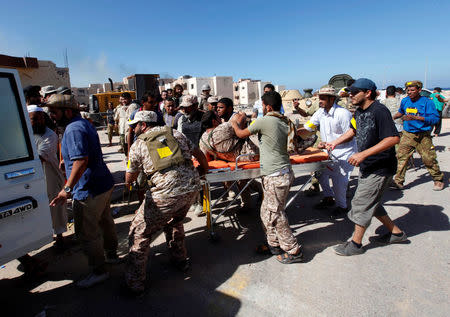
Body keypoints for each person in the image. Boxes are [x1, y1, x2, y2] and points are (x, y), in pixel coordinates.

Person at [124, 110, 208, 295]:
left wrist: (128, 182)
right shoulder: (175, 133)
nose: (133, 129)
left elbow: (130, 176)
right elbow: (198, 152)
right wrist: (203, 170)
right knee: (175, 221)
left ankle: (135, 283)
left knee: (139, 232)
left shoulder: (138, 145)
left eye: (135, 125)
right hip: (190, 188)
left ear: (143, 125)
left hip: (166, 194)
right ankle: (180, 259)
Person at [326, 78, 406, 256]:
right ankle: (396, 233)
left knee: (361, 203)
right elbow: (354, 130)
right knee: (372, 203)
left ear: (368, 93)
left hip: (381, 166)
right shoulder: (360, 111)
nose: (351, 95)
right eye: (350, 92)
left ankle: (356, 244)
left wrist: (363, 154)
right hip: (368, 166)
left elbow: (393, 138)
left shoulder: (380, 111)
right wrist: (334, 143)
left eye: (354, 92)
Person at [47, 94, 119, 288]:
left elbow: (81, 161)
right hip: (102, 184)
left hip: (89, 189)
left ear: (67, 111)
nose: (51, 115)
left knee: (87, 233)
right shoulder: (83, 123)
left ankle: (99, 270)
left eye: (54, 112)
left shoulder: (73, 129)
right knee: (105, 221)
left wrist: (66, 189)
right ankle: (112, 255)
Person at [230, 91, 303, 264]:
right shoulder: (285, 120)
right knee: (266, 212)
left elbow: (241, 134)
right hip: (281, 172)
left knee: (276, 214)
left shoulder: (265, 120)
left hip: (275, 175)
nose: (261, 109)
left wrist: (234, 123)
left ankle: (294, 250)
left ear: (268, 106)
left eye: (262, 105)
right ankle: (274, 244)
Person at [298, 85, 357, 217]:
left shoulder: (343, 114)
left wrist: (333, 143)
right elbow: (309, 128)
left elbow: (351, 134)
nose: (320, 101)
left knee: (339, 182)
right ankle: (328, 198)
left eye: (323, 98)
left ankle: (342, 207)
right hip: (328, 152)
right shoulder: (320, 113)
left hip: (344, 152)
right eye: (319, 98)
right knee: (320, 174)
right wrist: (292, 133)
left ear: (332, 99)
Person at [28, 105, 68, 248]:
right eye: (34, 119)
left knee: (54, 207)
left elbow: (40, 157)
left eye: (40, 118)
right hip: (31, 178)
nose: (39, 121)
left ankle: (59, 236)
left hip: (49, 175)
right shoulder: (25, 134)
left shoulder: (49, 135)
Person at [392, 81, 444, 191]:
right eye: (408, 90)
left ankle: (438, 179)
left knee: (428, 158)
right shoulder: (405, 101)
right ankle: (398, 182)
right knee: (401, 157)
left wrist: (416, 118)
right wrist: (391, 118)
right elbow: (401, 112)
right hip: (408, 134)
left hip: (423, 135)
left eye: (412, 90)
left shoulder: (427, 102)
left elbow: (435, 119)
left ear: (419, 90)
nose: (409, 92)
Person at [127, 91, 164, 155]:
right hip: (139, 147)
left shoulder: (158, 115)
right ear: (143, 102)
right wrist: (129, 151)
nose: (154, 105)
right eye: (151, 102)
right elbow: (130, 132)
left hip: (154, 146)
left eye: (155, 102)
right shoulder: (135, 114)